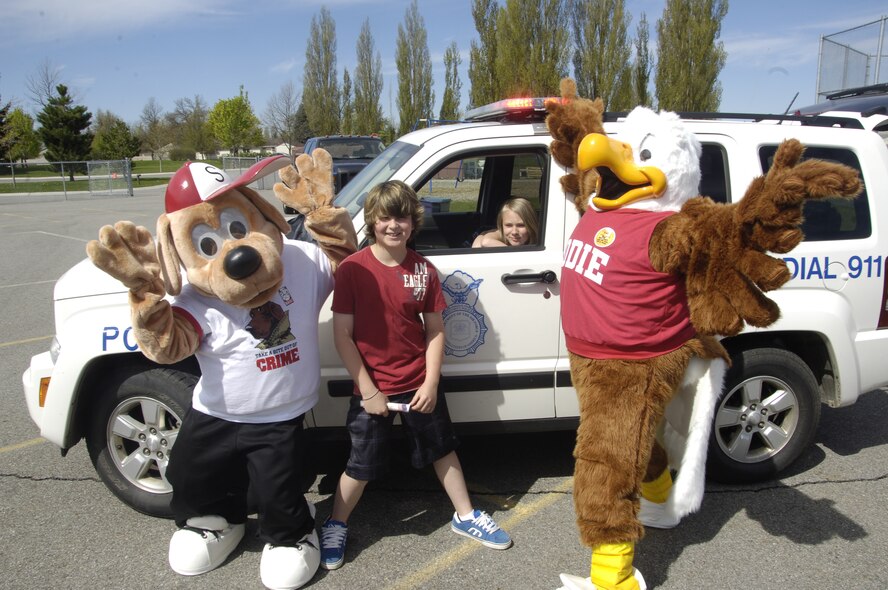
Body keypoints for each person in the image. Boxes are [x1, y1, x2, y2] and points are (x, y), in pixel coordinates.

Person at [321, 180, 513, 571]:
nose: (394, 225)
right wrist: (368, 390)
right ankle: (335, 523)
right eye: (386, 217)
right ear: (372, 220)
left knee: (442, 448)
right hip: (372, 388)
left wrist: (430, 382)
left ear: (414, 222)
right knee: (360, 463)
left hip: (417, 382)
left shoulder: (423, 270)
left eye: (403, 217)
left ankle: (465, 516)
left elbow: (436, 330)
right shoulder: (354, 270)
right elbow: (341, 334)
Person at [472, 197, 539, 247]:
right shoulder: (500, 234)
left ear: (531, 224)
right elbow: (486, 242)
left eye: (521, 225)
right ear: (501, 225)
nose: (514, 232)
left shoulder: (541, 241)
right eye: (508, 225)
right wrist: (512, 253)